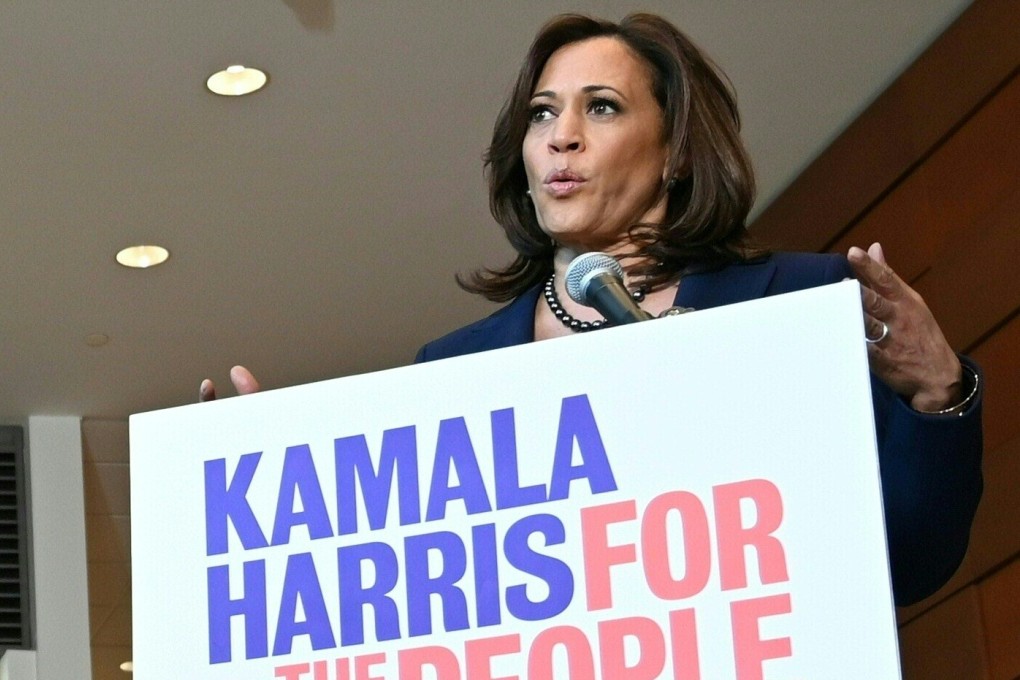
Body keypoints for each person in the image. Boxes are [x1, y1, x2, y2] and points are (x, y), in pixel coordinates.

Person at [201, 13, 982, 607]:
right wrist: (286, 491)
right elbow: (418, 601)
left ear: (676, 149)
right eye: (541, 115)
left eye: (601, 108)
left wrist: (938, 392)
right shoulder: (452, 370)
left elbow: (913, 559)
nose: (560, 139)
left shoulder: (799, 302)